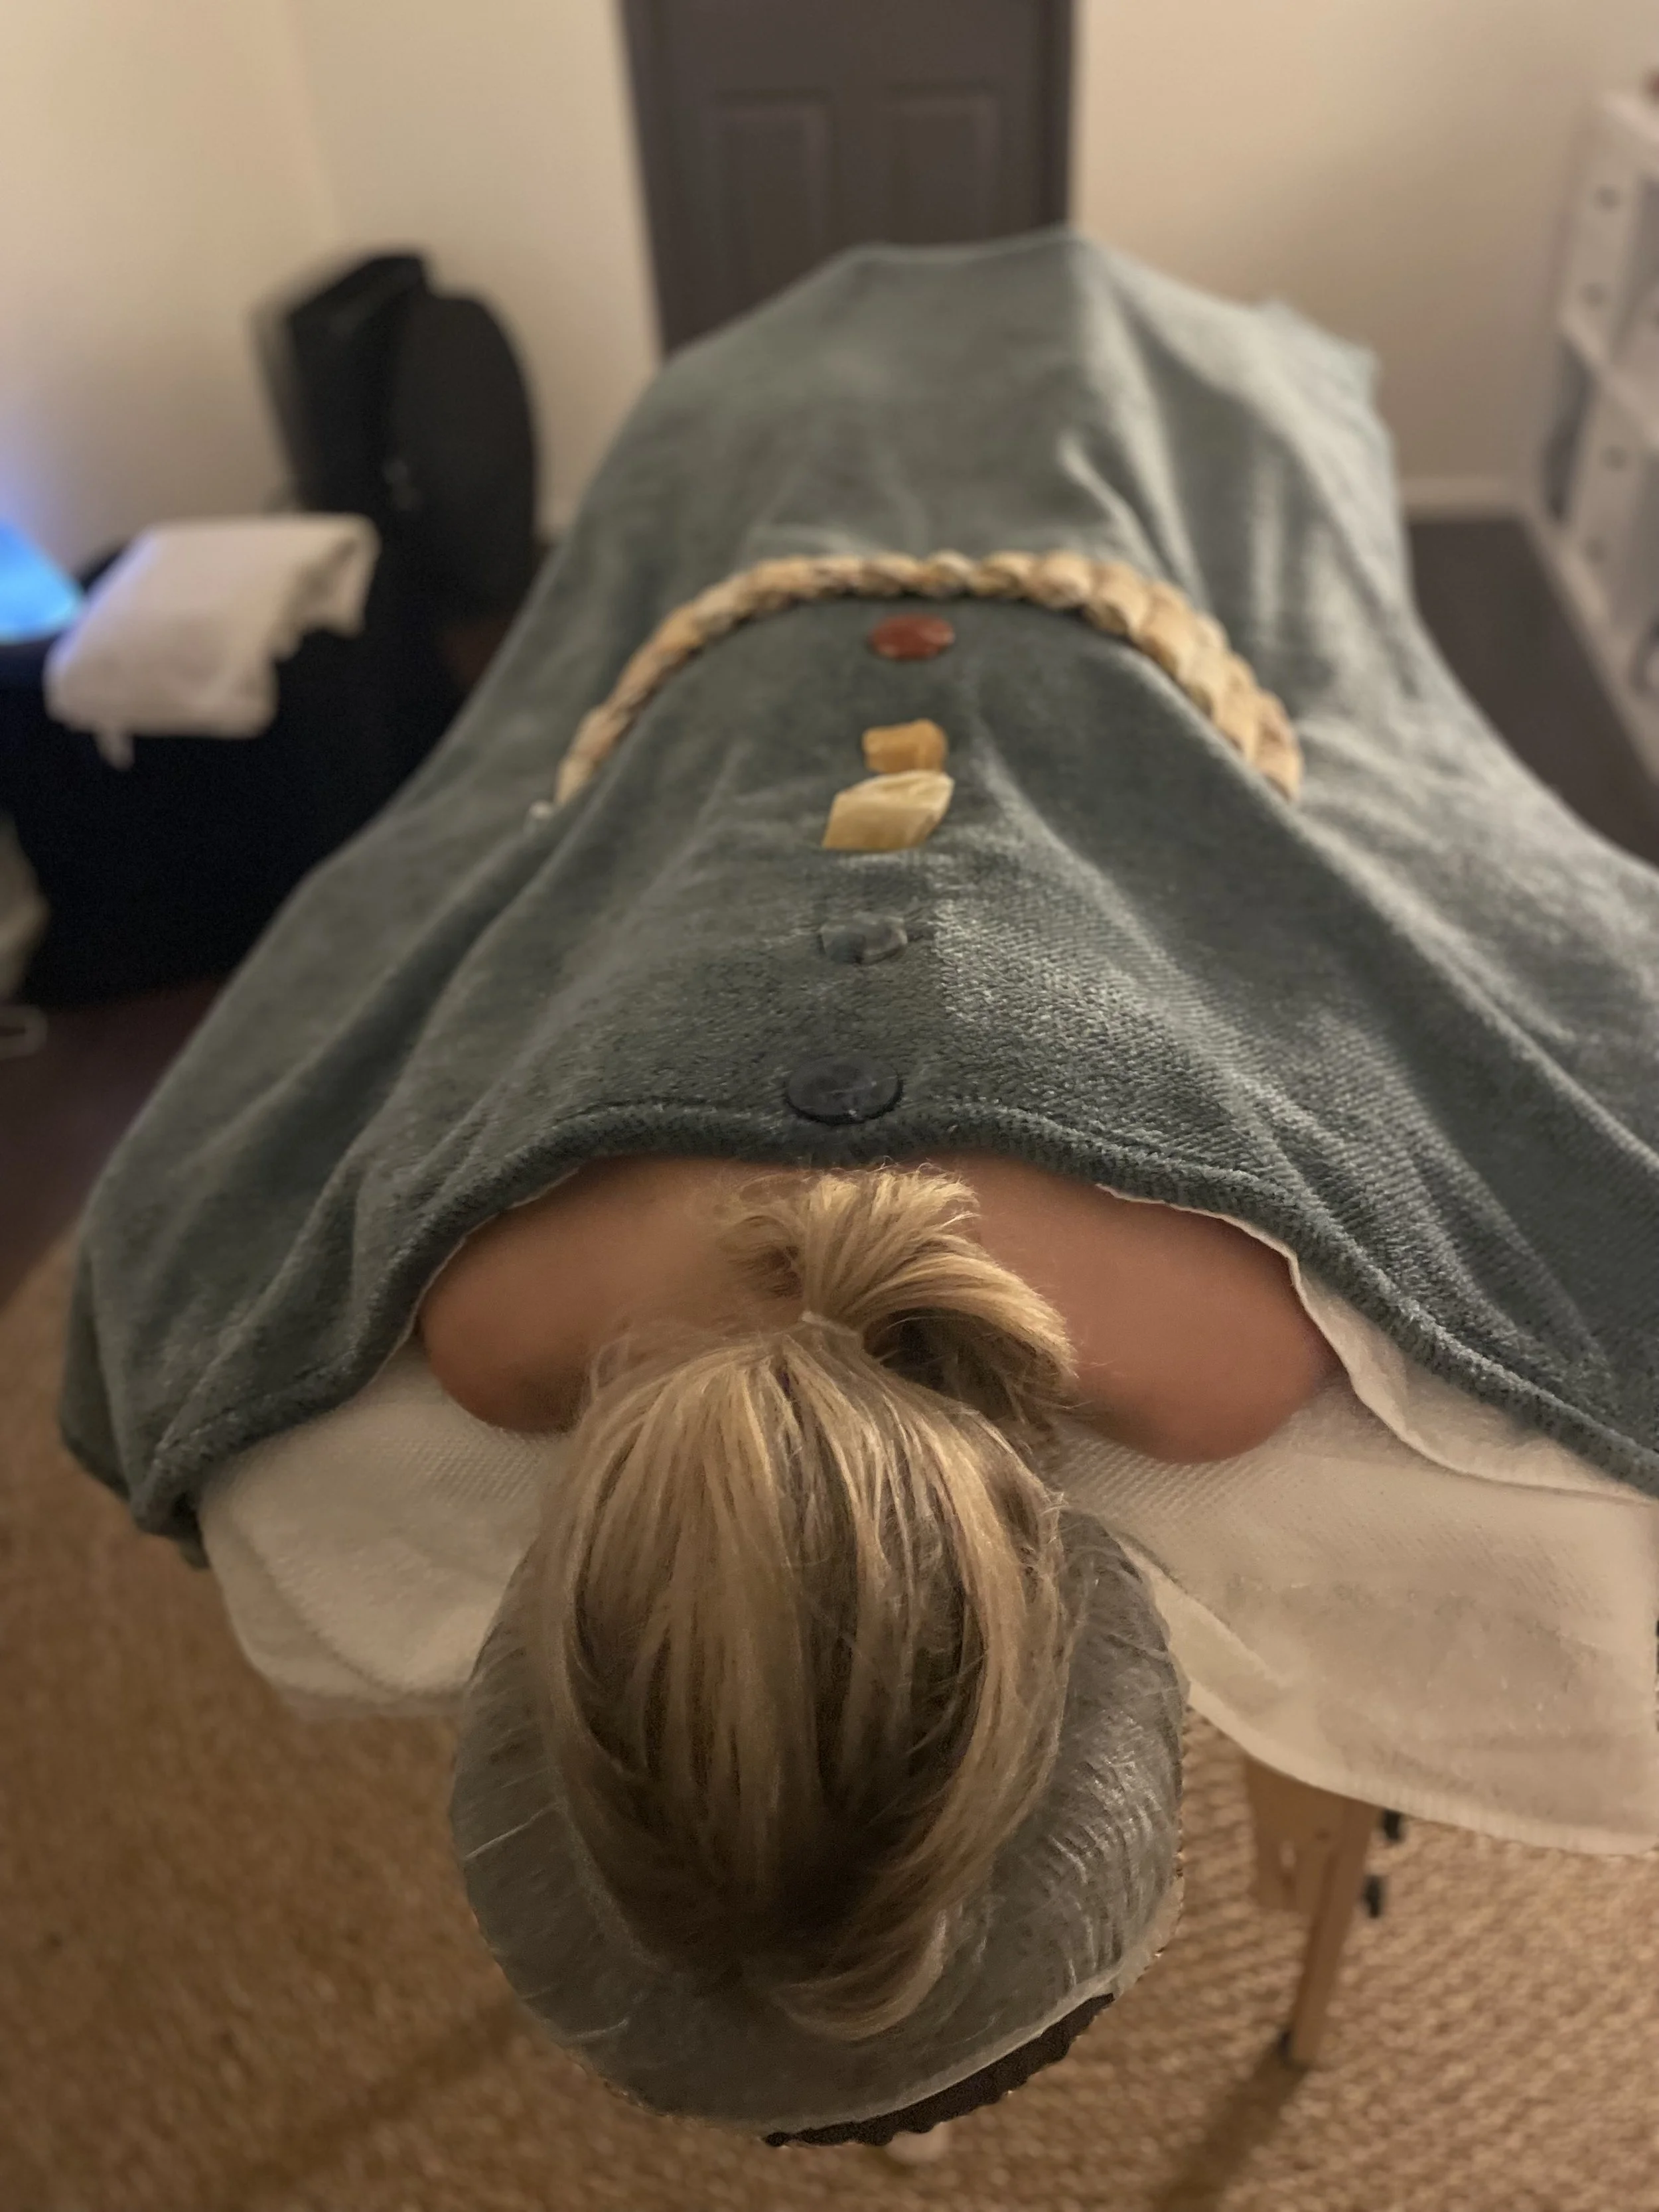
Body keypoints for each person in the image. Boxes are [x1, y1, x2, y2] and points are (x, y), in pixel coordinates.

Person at [62, 230, 1659, 2142]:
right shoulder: (498, 1330)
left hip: (872, 454)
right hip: (1042, 460)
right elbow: (155, 1290)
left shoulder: (1209, 1353)